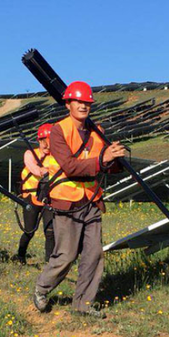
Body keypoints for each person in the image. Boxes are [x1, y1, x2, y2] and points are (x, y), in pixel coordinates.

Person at [33, 81, 126, 318]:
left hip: (92, 200)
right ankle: (42, 288)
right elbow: (70, 167)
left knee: (94, 254)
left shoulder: (98, 132)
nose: (84, 106)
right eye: (79, 101)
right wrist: (101, 160)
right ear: (68, 104)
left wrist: (116, 159)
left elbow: (106, 167)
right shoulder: (58, 131)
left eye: (87, 102)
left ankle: (83, 304)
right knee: (66, 255)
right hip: (67, 202)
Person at [17, 123, 55, 263]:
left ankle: (49, 262)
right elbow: (33, 168)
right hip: (31, 198)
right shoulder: (30, 154)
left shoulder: (55, 157)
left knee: (50, 232)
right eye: (44, 142)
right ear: (39, 141)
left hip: (48, 199)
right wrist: (43, 171)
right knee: (29, 231)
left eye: (50, 142)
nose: (47, 146)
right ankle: (21, 255)